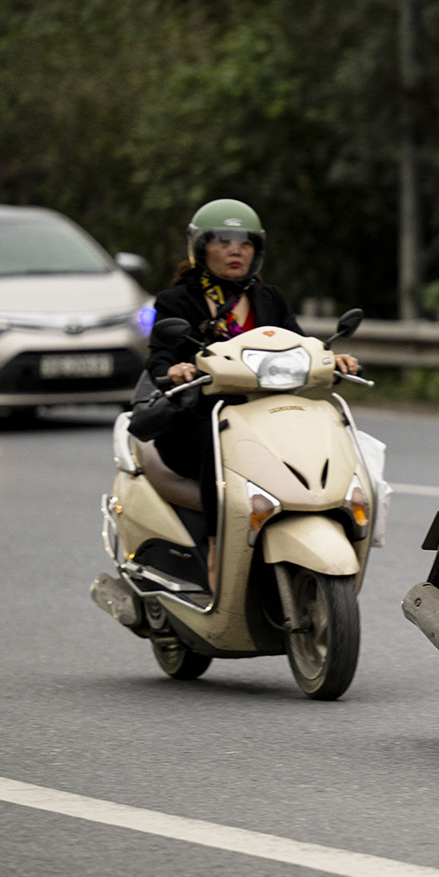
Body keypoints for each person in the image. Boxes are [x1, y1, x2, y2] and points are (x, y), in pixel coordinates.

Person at [145, 198, 359, 590]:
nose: (235, 250)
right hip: (199, 420)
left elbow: (301, 345)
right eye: (223, 241)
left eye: (244, 243)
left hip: (266, 417)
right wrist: (174, 370)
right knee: (221, 448)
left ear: (256, 251)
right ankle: (216, 551)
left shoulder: (268, 299)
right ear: (200, 248)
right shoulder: (176, 301)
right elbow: (159, 360)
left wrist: (332, 359)